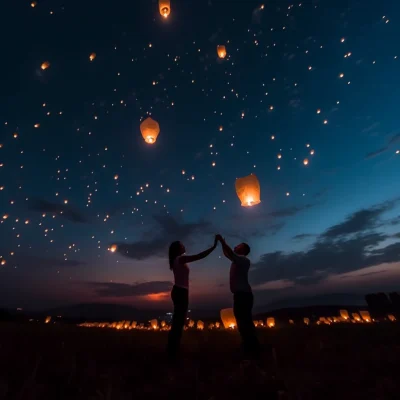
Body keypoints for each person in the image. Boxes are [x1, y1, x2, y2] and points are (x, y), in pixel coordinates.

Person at [167, 237, 218, 361]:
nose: (184, 246)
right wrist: (213, 247)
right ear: (177, 249)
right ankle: (172, 352)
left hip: (180, 291)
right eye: (181, 244)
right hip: (180, 292)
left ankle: (173, 349)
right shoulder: (180, 259)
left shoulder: (178, 260)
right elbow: (199, 256)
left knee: (178, 321)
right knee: (178, 322)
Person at [216, 234, 261, 360]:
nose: (235, 246)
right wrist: (222, 245)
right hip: (241, 295)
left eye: (238, 246)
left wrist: (222, 242)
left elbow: (230, 253)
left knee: (244, 322)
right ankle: (249, 345)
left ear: (243, 250)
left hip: (243, 296)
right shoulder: (237, 260)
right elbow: (228, 254)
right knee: (243, 321)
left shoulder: (243, 260)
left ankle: (252, 347)